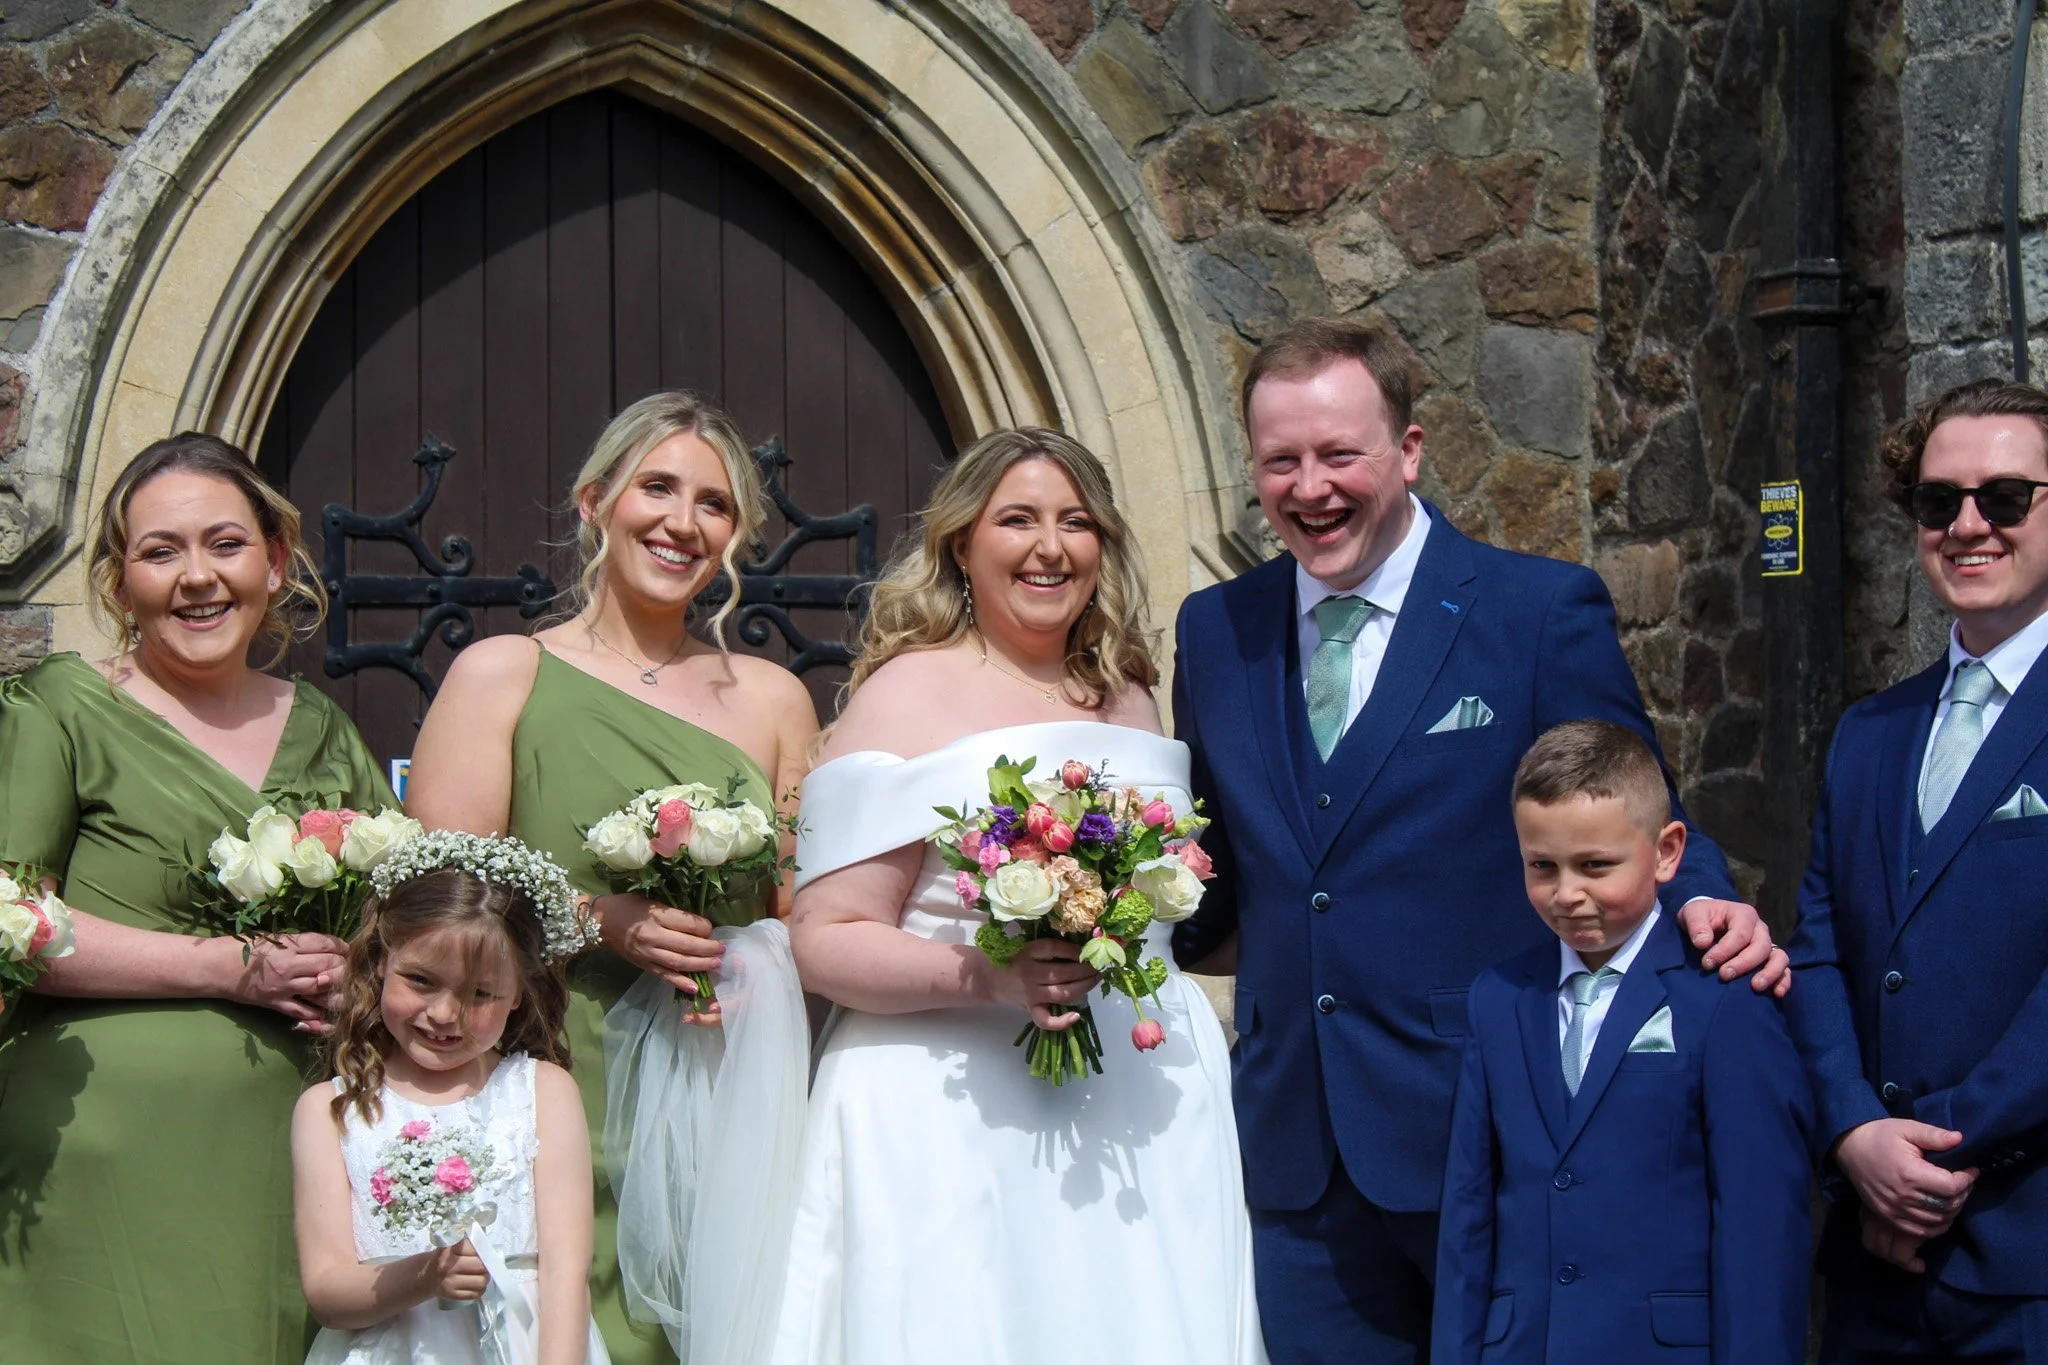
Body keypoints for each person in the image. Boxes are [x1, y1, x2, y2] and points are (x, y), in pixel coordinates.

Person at [1169, 317, 1789, 1362]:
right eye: (1280, 461)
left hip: (1485, 1126)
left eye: (1337, 455)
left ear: (1407, 451)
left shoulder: (1533, 610)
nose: (1308, 487)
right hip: (1294, 1150)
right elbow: (1212, 863)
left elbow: (1634, 802)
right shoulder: (1211, 628)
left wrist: (1706, 904)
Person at [778, 428, 1265, 1364]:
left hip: (1141, 1102)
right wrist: (994, 978)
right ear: (963, 542)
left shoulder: (1128, 693)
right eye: (1018, 519)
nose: (1051, 546)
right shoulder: (903, 693)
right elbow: (827, 935)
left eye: (1075, 521)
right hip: (948, 1114)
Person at [407, 392, 816, 1365]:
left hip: (725, 1082)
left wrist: (756, 957)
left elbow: (802, 907)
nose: (682, 523)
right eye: (657, 488)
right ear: (593, 502)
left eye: (713, 504)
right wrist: (597, 918)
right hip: (549, 1063)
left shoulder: (772, 699)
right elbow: (432, 902)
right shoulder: (504, 673)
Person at [0, 433, 396, 1361]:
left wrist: (362, 974)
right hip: (102, 1155)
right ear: (119, 576)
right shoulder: (58, 706)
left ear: (276, 559)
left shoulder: (321, 727)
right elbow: (8, 913)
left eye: (224, 543)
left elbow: (403, 915)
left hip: (290, 1165)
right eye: (159, 551)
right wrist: (228, 966)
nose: (196, 578)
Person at [1786, 377, 2048, 1360]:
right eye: (1938, 502)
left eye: (2004, 498)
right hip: (1872, 1270)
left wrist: (1933, 1157)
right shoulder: (1868, 735)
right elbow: (1813, 954)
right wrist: (1855, 1136)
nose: (1966, 525)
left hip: (2026, 1257)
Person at [1434, 720, 1812, 1364]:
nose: (1567, 893)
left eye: (1595, 866)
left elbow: (1760, 1226)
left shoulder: (1723, 998)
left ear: (1667, 852)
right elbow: (1469, 1212)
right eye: (1541, 867)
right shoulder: (1497, 998)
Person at [293, 831, 607, 1365]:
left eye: (480, 993)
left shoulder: (541, 1091)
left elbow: (565, 1271)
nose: (444, 1014)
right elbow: (327, 1291)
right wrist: (423, 1276)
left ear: (518, 996)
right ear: (379, 965)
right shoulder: (331, 1110)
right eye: (420, 980)